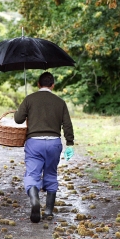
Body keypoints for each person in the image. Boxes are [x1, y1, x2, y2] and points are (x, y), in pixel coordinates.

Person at [14, 72, 74, 223]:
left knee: (32, 174)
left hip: (34, 143)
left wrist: (21, 109)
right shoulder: (60, 102)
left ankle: (35, 202)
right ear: (53, 85)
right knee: (51, 174)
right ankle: (48, 211)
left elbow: (18, 119)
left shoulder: (30, 99)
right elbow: (67, 124)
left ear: (38, 85)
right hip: (54, 143)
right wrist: (70, 143)